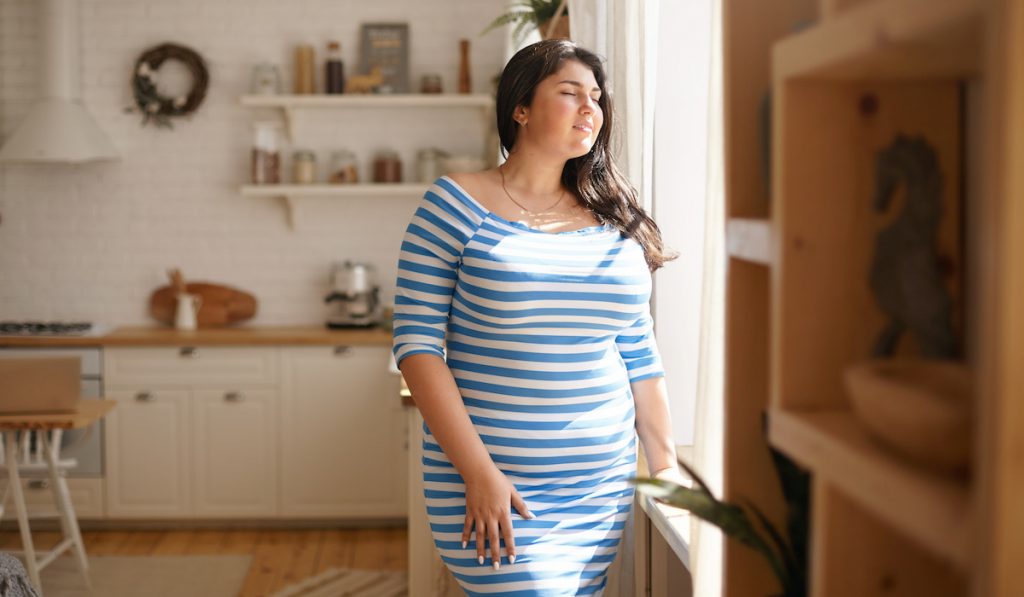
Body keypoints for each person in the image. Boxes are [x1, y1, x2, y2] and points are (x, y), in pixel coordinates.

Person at [392, 38, 680, 596]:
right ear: (520, 107)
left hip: (599, 486)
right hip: (496, 482)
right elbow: (417, 348)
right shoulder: (454, 204)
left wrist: (665, 467)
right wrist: (479, 475)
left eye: (596, 96)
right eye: (570, 93)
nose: (589, 108)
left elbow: (639, 355)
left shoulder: (612, 217)